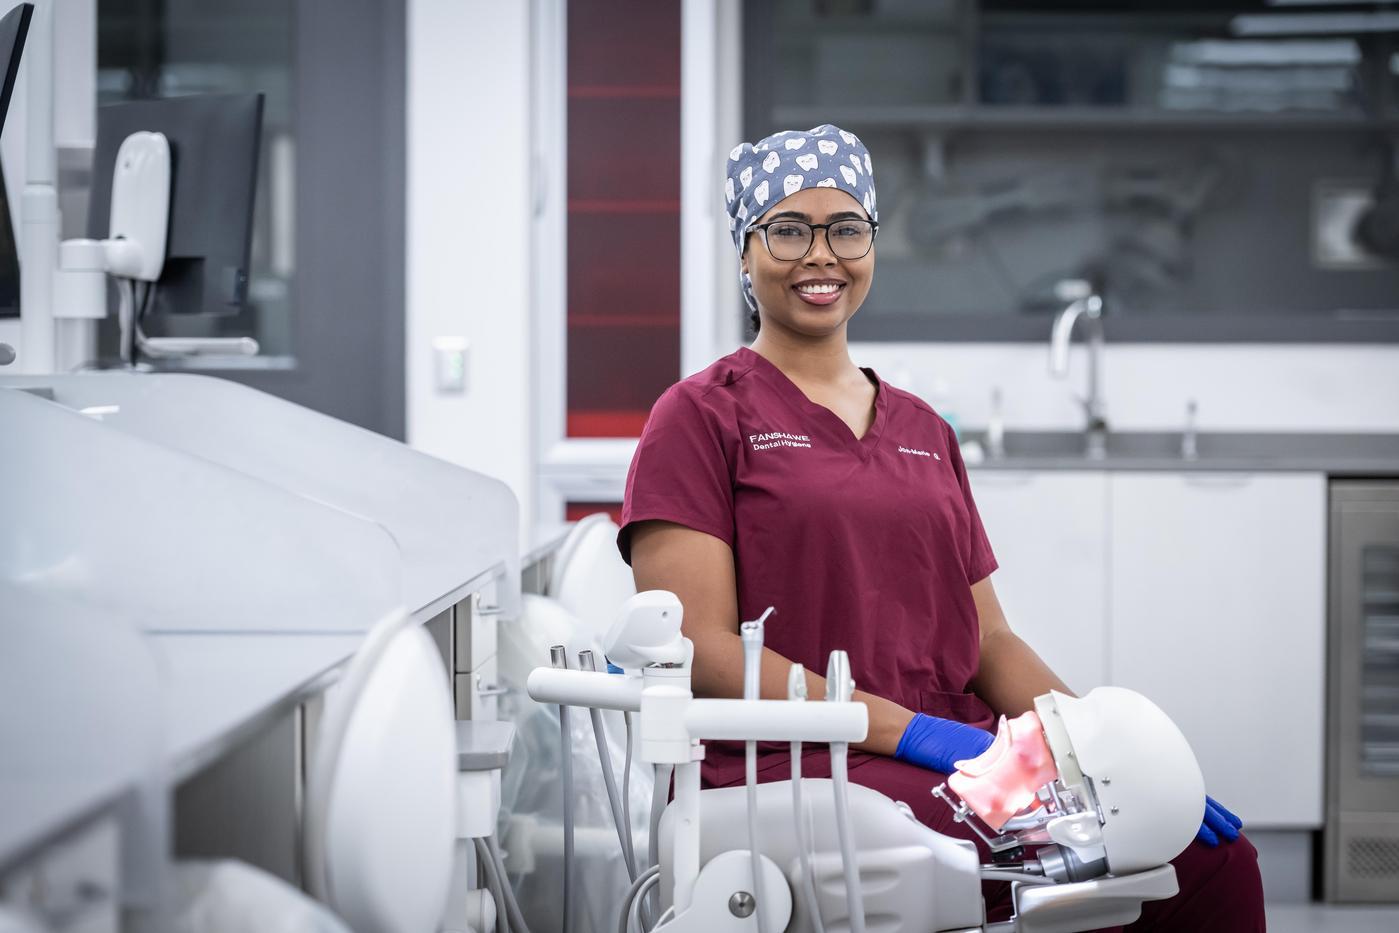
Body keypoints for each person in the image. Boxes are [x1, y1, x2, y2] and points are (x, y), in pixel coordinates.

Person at [616, 124, 1263, 930]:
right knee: (1092, 853)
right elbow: (703, 654)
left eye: (846, 228)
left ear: (872, 245)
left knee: (1212, 861)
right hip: (796, 763)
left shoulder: (924, 428)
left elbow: (989, 641)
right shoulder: (699, 416)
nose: (821, 254)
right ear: (745, 253)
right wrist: (905, 729)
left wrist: (1101, 748)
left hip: (955, 757)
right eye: (787, 229)